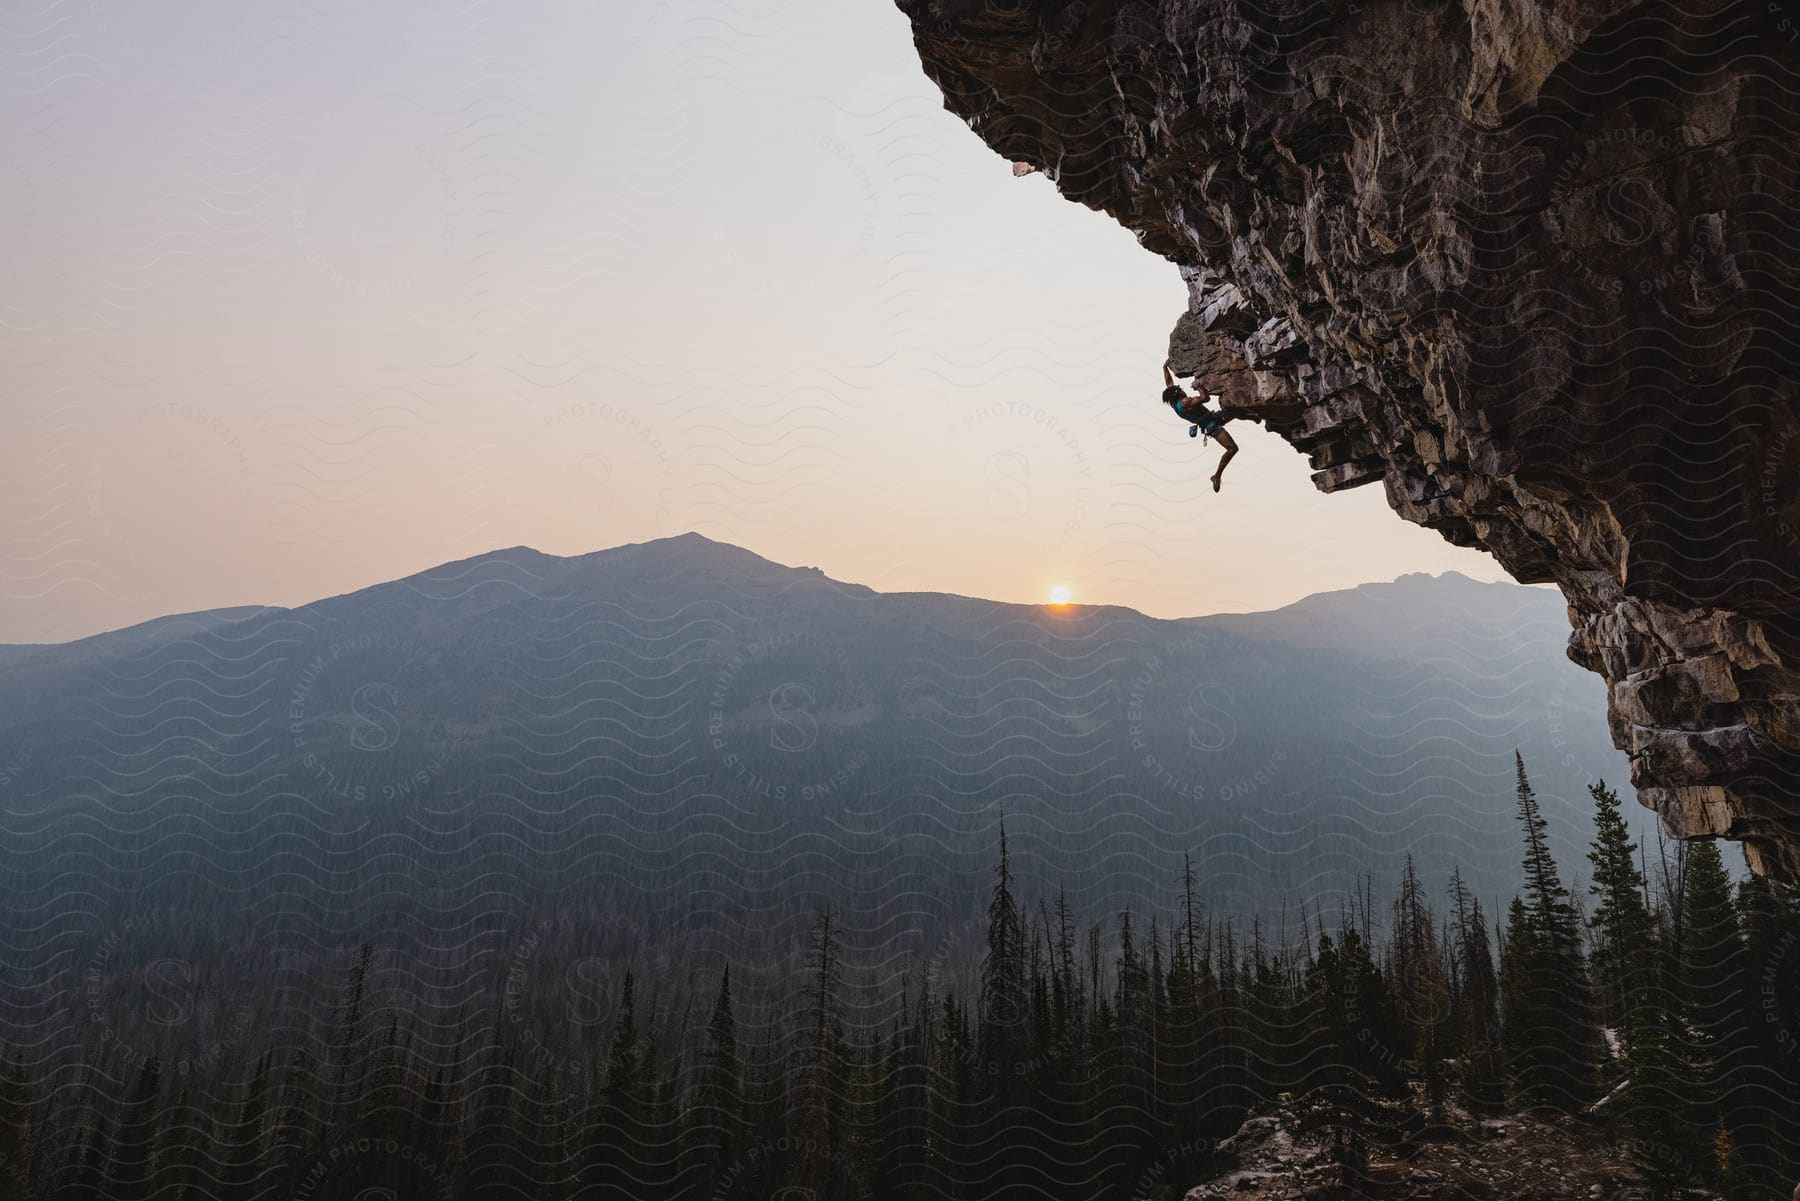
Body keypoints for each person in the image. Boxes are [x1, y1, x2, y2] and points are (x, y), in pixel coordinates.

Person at [1162, 358, 1238, 492]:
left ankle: (1255, 417)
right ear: (1179, 393)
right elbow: (1205, 398)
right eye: (1181, 389)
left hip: (1212, 419)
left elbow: (1169, 384)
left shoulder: (1175, 404)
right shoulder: (1186, 402)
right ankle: (1217, 476)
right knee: (1232, 449)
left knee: (1236, 409)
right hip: (1212, 426)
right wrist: (1199, 387)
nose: (1183, 390)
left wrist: (1165, 368)